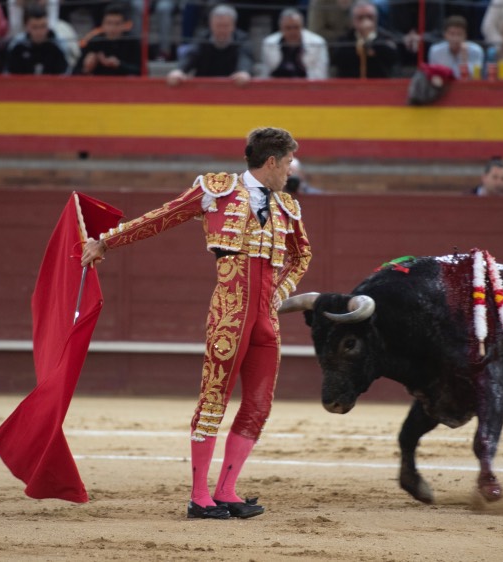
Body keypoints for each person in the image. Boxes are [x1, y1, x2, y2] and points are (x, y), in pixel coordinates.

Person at [80, 127, 312, 520]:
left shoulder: (288, 207)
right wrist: (106, 241)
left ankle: (226, 490)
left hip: (265, 322)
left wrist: (279, 291)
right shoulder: (216, 190)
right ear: (270, 161)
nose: (291, 169)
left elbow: (302, 255)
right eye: (288, 161)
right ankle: (198, 495)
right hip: (230, 315)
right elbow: (164, 216)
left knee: (258, 405)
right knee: (213, 400)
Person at [167, 4, 252, 86]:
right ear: (210, 24)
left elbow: (245, 58)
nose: (222, 30)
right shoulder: (202, 38)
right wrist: (179, 70)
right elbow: (191, 55)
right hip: (203, 88)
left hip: (232, 90)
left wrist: (243, 71)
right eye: (218, 26)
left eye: (225, 26)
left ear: (233, 26)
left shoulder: (242, 39)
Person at [331, 0, 400, 78]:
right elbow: (338, 59)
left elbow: (393, 58)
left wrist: (370, 41)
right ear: (353, 20)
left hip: (379, 85)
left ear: (376, 18)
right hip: (350, 85)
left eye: (370, 17)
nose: (365, 21)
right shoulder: (344, 40)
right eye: (360, 18)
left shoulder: (386, 38)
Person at [74, 2, 141, 76]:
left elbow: (141, 70)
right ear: (102, 24)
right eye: (109, 23)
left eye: (117, 24)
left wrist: (120, 65)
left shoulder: (132, 41)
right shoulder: (95, 41)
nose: (112, 28)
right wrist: (86, 69)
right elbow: (74, 72)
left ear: (124, 25)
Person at [261, 8, 329, 79]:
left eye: (296, 27)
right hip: (277, 86)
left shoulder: (317, 43)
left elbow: (320, 74)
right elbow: (266, 74)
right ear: (281, 28)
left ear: (302, 26)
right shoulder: (269, 43)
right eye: (288, 28)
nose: (292, 32)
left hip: (307, 86)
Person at [5, 5, 69, 75]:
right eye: (35, 27)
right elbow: (10, 74)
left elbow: (64, 75)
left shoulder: (58, 44)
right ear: (27, 27)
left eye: (43, 26)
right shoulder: (17, 45)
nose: (39, 32)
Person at [428, 15, 485, 79]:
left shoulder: (476, 51)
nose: (455, 38)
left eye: (459, 34)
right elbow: (433, 76)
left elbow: (475, 78)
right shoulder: (435, 51)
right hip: (442, 87)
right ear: (445, 35)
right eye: (452, 34)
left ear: (465, 35)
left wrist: (464, 60)